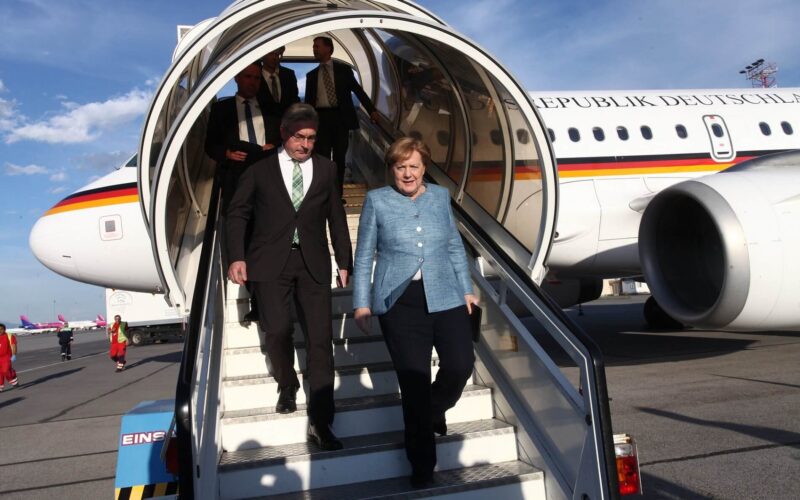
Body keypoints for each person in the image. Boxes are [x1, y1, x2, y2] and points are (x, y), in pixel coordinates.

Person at [352, 137, 478, 488]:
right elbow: (364, 256)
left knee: (460, 364)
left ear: (424, 168)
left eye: (414, 167)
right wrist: (362, 303)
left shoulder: (439, 197)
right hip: (401, 302)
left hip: (446, 295)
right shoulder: (377, 200)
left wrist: (466, 289)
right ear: (391, 168)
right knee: (414, 384)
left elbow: (454, 245)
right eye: (400, 167)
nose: (407, 173)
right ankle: (422, 465)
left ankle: (434, 410)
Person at [227, 103, 352, 451]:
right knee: (278, 328)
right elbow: (237, 213)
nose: (306, 145)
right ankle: (287, 384)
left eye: (312, 138)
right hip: (269, 263)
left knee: (320, 342)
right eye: (300, 137)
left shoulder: (327, 169)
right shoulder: (259, 170)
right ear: (284, 133)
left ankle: (322, 421)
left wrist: (344, 259)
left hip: (312, 263)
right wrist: (236, 256)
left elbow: (336, 217)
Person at [206, 62, 277, 321]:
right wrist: (225, 154)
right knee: (244, 241)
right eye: (247, 77)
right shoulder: (222, 109)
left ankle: (264, 300)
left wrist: (276, 147)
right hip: (237, 178)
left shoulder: (270, 110)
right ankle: (256, 298)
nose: (252, 82)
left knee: (266, 241)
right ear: (237, 78)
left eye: (257, 78)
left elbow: (284, 138)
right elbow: (209, 144)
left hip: (268, 176)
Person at [304, 36, 380, 199]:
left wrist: (372, 110)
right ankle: (323, 195)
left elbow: (358, 91)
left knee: (339, 158)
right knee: (322, 159)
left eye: (317, 46)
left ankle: (337, 195)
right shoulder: (311, 75)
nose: (314, 49)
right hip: (321, 120)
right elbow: (309, 103)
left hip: (341, 118)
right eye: (314, 46)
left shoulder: (343, 70)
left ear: (328, 49)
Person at [256, 46, 299, 146]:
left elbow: (294, 101)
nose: (275, 57)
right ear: (263, 55)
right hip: (262, 129)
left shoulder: (289, 74)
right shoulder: (255, 74)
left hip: (287, 128)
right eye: (271, 53)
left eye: (278, 54)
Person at [0, 324, 19, 391]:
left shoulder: (9, 336)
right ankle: (0, 386)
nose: (0, 331)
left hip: (6, 357)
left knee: (5, 370)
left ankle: (13, 375)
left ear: (4, 329)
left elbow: (13, 345)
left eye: (1, 329)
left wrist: (14, 354)